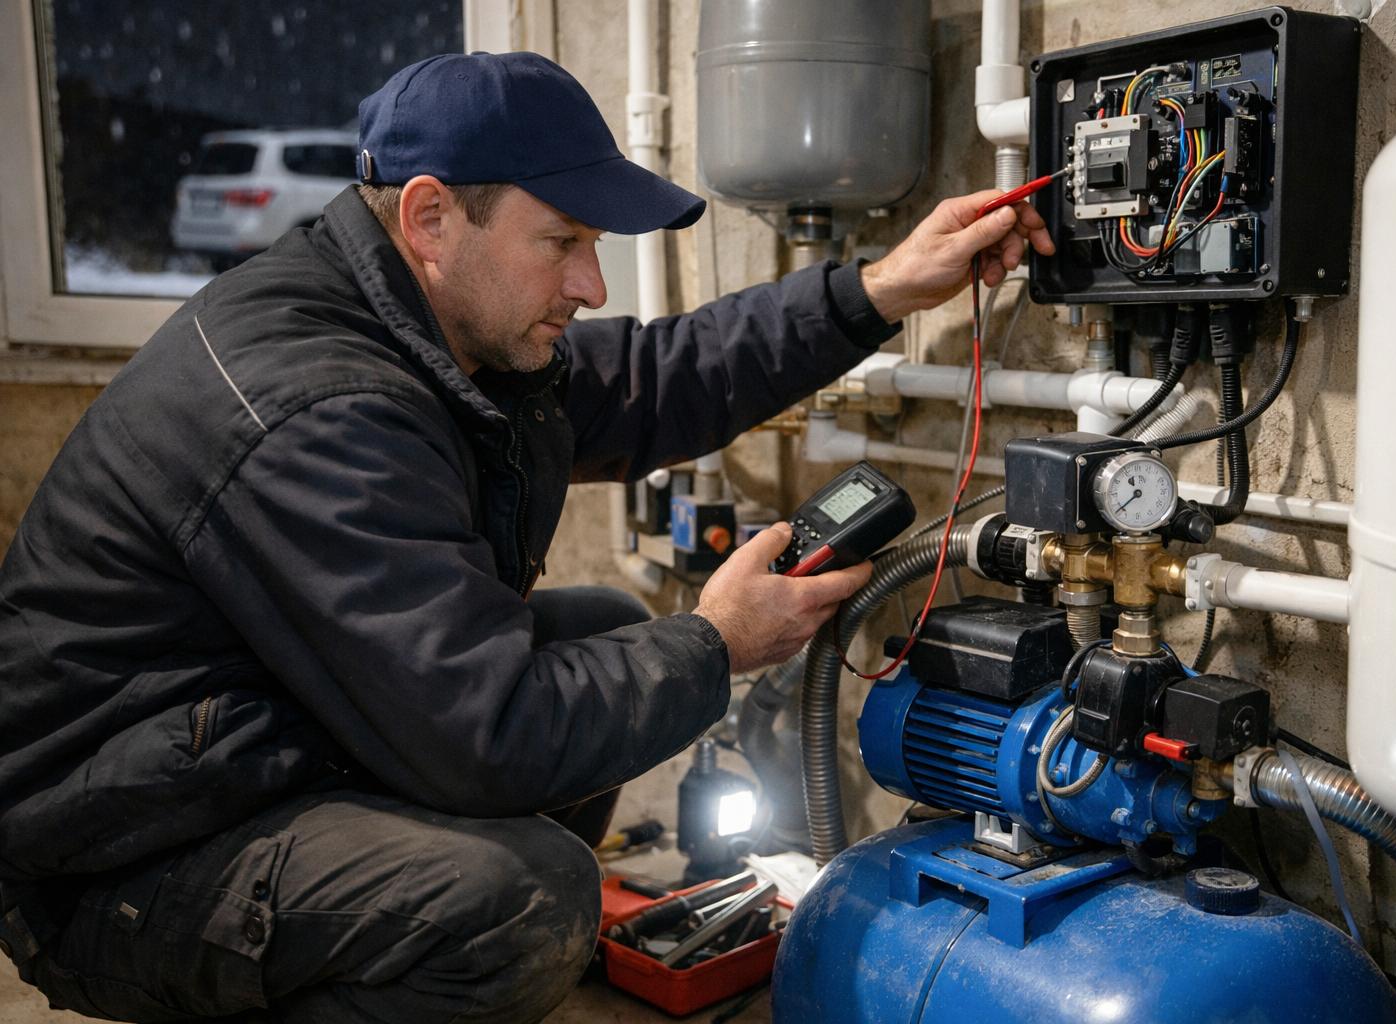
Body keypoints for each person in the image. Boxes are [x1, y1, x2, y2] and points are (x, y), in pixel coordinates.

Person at [0, 51, 1053, 1023]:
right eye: (564, 244)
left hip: (246, 740)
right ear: (429, 217)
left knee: (594, 625)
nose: (590, 286)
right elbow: (489, 734)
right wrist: (718, 642)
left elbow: (656, 379)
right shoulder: (317, 407)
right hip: (121, 858)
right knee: (521, 901)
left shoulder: (429, 329)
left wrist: (875, 291)